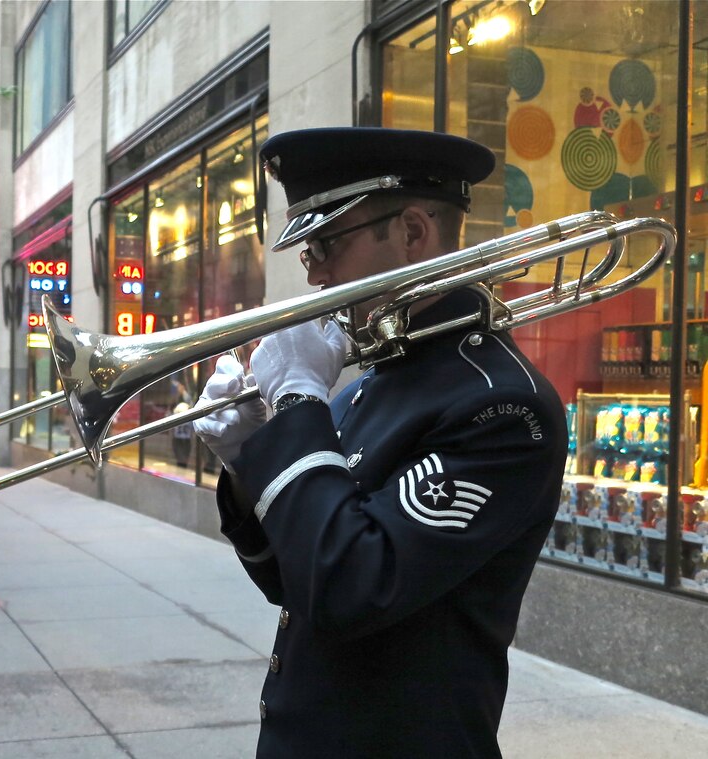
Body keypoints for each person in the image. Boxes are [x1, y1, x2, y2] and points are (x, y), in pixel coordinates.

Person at [191, 127, 567, 758]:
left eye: (326, 246)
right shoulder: (373, 382)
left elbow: (352, 589)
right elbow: (298, 581)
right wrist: (250, 456)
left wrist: (301, 402)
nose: (316, 277)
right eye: (308, 254)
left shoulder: (502, 405)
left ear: (414, 231)